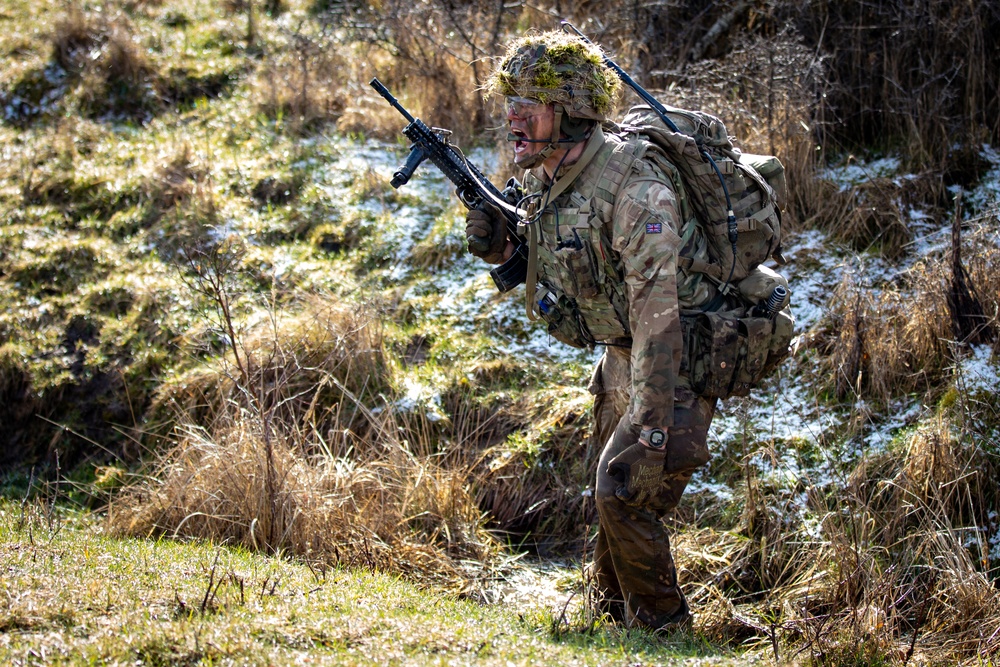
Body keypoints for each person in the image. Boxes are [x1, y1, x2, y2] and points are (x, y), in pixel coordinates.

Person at [465, 30, 720, 630]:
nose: (513, 116)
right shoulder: (546, 174)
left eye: (532, 103)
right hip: (620, 353)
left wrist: (653, 423)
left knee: (624, 488)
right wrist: (504, 247)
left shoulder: (637, 189)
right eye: (511, 100)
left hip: (682, 352)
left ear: (573, 112)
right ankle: (609, 621)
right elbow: (559, 258)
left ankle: (664, 630)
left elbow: (661, 318)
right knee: (610, 492)